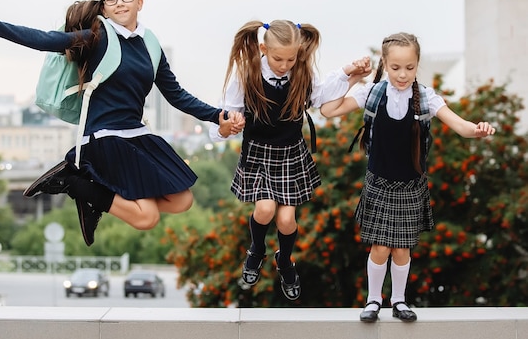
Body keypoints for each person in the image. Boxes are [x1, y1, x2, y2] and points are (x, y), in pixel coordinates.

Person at [0, 0, 245, 247]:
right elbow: (43, 39)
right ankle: (72, 180)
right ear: (104, 9)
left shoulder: (151, 45)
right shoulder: (97, 38)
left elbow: (176, 95)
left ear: (139, 3)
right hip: (105, 139)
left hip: (137, 136)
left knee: (183, 201)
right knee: (147, 217)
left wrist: (216, 115)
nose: (119, 2)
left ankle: (94, 193)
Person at [320, 32, 496, 321]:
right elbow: (328, 111)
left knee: (401, 249)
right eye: (396, 68)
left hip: (411, 184)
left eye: (410, 68)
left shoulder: (426, 97)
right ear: (385, 64)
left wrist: (478, 129)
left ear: (417, 65)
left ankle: (399, 301)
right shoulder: (372, 93)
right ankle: (373, 300)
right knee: (380, 247)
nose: (403, 74)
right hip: (379, 181)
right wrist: (351, 76)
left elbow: (461, 126)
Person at [209, 19, 371, 300]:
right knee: (265, 210)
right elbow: (223, 119)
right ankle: (256, 251)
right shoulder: (246, 76)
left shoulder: (302, 75)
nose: (285, 65)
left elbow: (323, 93)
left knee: (286, 221)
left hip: (290, 154)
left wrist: (350, 71)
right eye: (277, 59)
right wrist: (227, 126)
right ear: (263, 48)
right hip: (258, 153)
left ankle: (284, 261)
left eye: (291, 58)